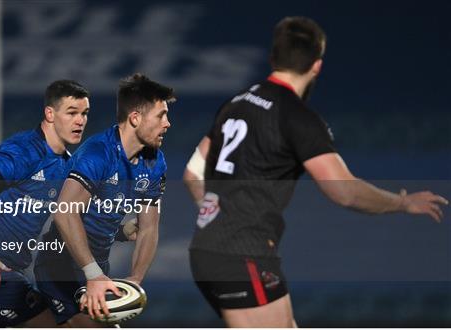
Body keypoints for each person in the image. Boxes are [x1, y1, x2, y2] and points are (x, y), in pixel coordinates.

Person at [184, 16, 448, 328]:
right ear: (317, 66)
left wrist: (215, 214)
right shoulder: (297, 117)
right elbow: (344, 191)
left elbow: (191, 173)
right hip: (243, 256)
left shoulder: (236, 104)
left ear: (273, 58)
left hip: (209, 251)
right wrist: (402, 203)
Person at [34, 73, 174, 326]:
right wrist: (93, 274)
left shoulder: (156, 162)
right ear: (135, 118)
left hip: (98, 264)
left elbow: (149, 226)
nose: (168, 123)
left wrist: (136, 278)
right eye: (161, 115)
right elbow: (65, 212)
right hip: (61, 264)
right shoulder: (98, 153)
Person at [0, 80, 90, 327]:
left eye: (84, 113)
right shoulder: (23, 151)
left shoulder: (67, 165)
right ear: (50, 113)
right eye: (72, 113)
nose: (80, 121)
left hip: (11, 273)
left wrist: (123, 231)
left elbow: (74, 218)